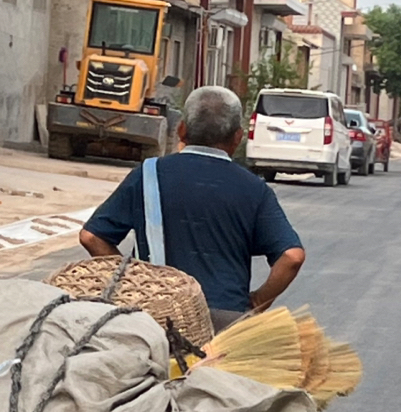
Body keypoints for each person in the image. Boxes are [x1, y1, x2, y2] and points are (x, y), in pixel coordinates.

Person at [80, 85, 305, 330]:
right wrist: (258, 300)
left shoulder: (147, 174)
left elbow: (91, 237)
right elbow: (292, 257)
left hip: (155, 319)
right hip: (226, 323)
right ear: (238, 138)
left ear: (181, 129)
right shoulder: (255, 189)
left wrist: (133, 281)